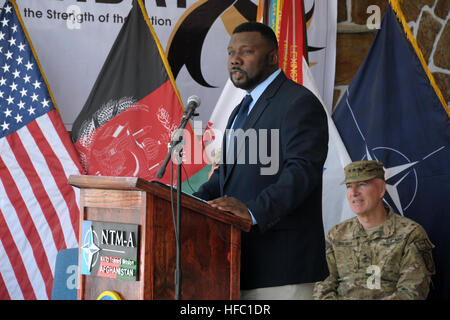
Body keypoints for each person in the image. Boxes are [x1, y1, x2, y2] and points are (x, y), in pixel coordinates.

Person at [193, 22, 329, 299]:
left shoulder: (298, 103)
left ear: (272, 57)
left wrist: (252, 211)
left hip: (281, 266)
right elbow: (226, 175)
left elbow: (302, 171)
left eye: (246, 51)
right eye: (231, 52)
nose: (235, 59)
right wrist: (190, 202)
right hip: (238, 263)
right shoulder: (239, 110)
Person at [313, 160, 436, 300]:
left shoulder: (410, 233)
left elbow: (412, 293)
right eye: (349, 186)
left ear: (381, 189)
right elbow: (323, 287)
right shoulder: (336, 235)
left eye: (362, 185)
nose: (353, 193)